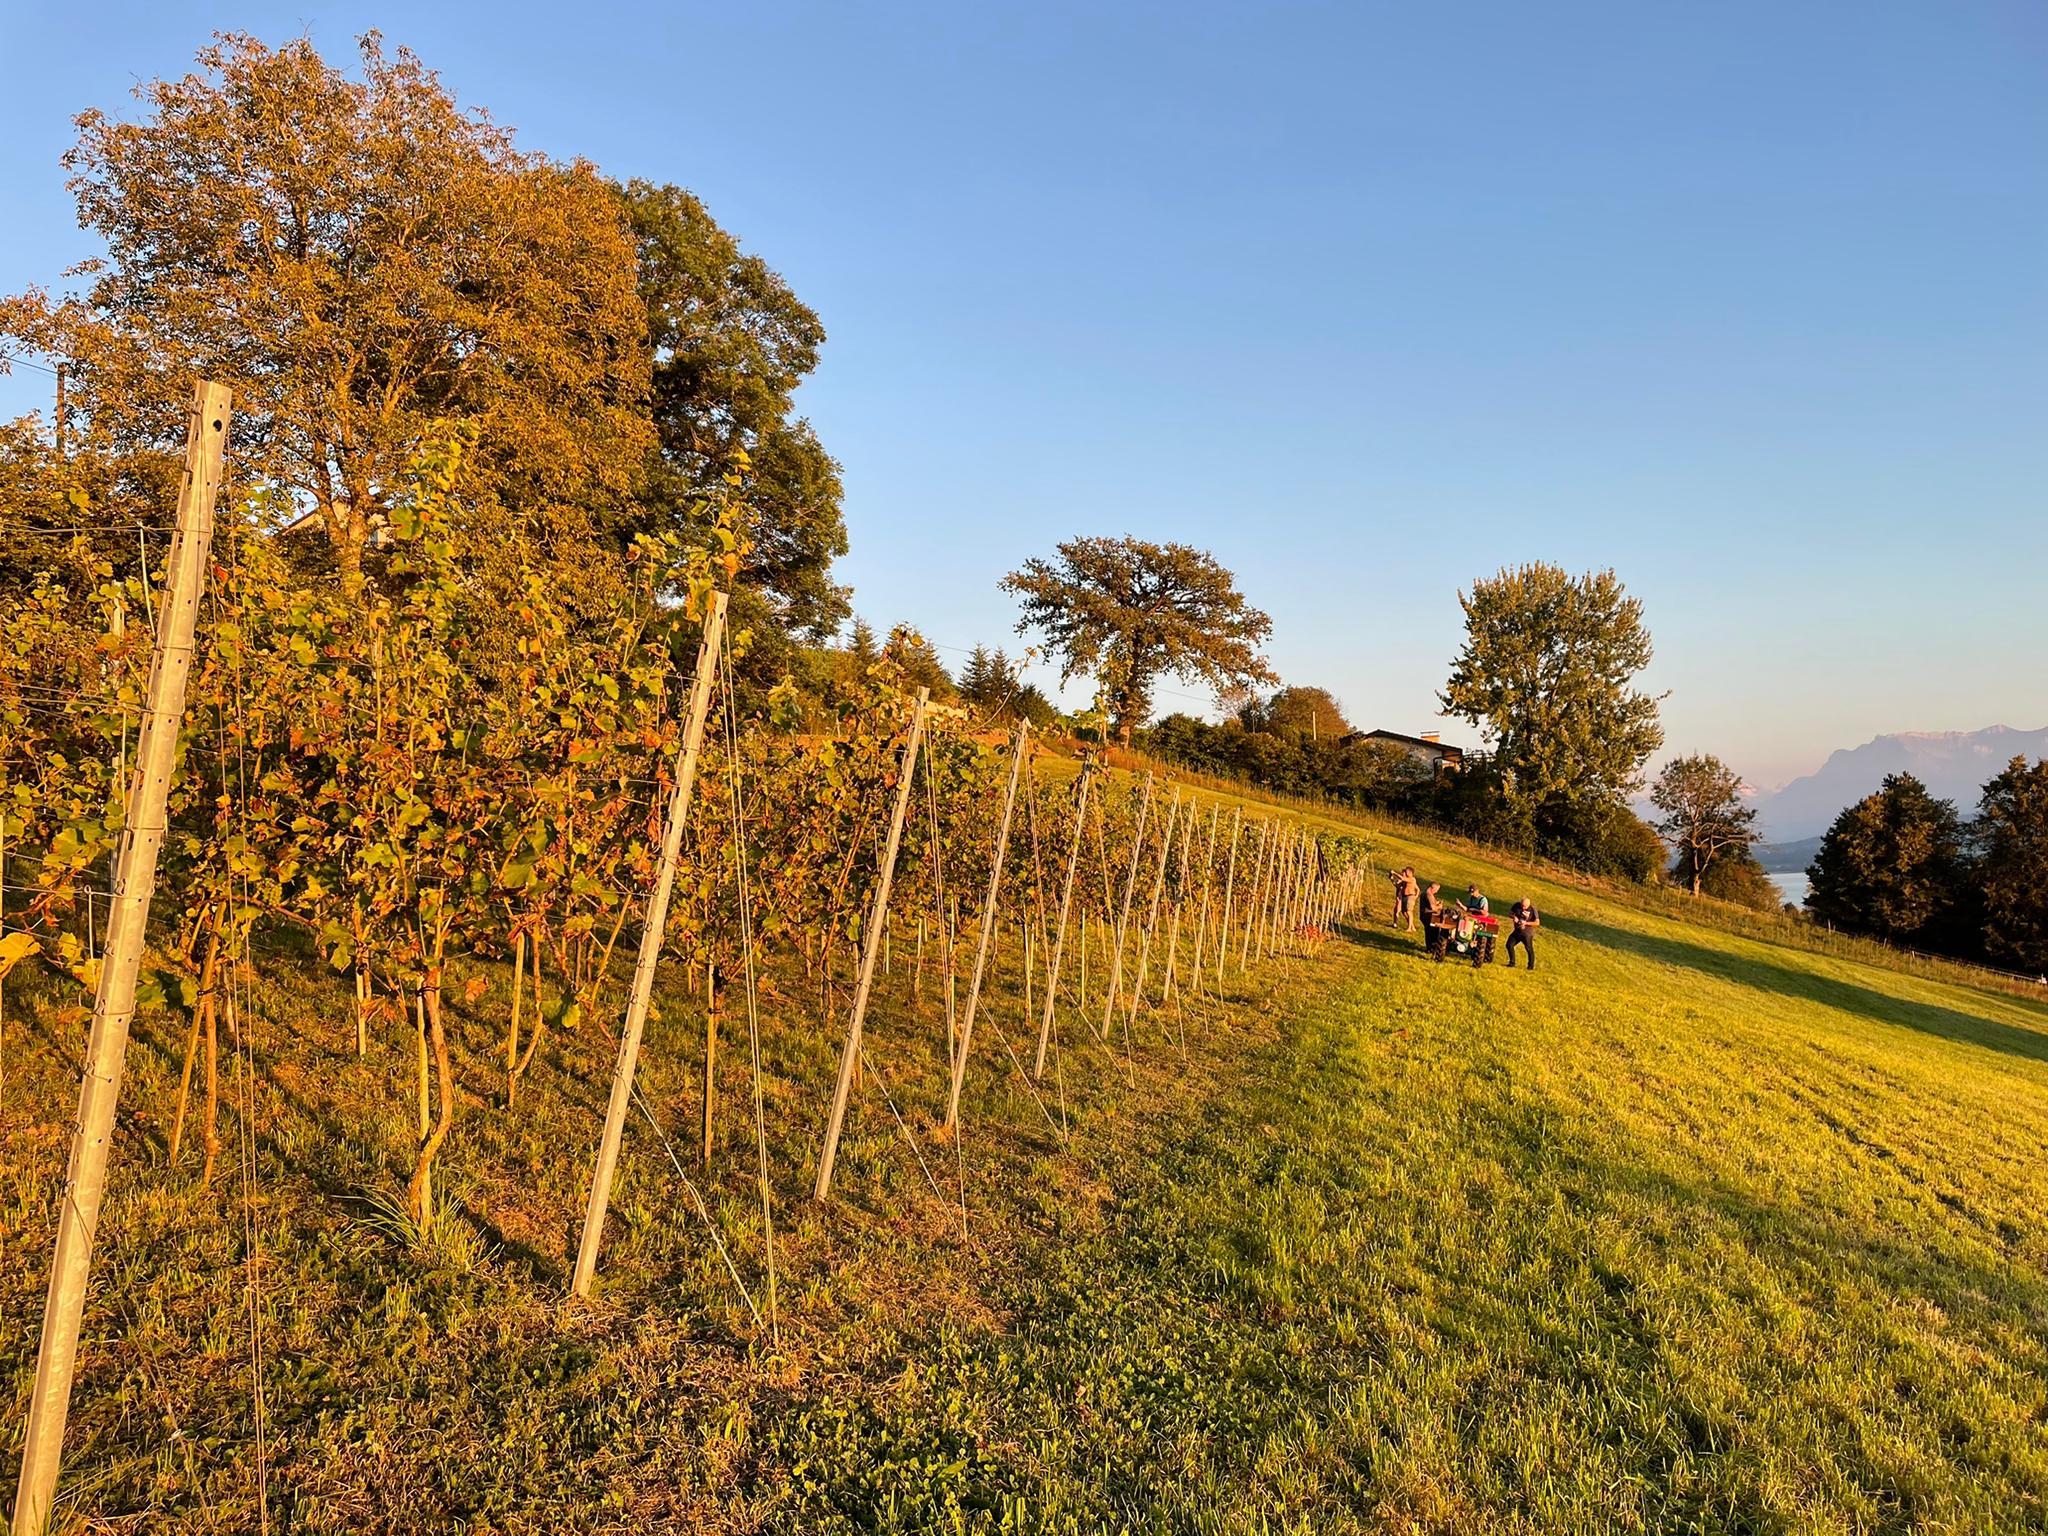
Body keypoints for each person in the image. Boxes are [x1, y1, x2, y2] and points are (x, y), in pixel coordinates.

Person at [1506, 895, 1540, 970]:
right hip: (1517, 931)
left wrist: (1526, 923)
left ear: (1528, 905)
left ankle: (1530, 966)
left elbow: (1537, 923)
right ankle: (1512, 963)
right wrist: (1513, 917)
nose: (1522, 907)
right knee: (1509, 945)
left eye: (1524, 906)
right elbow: (1509, 913)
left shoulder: (1533, 910)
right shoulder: (1516, 905)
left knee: (1529, 949)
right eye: (1522, 905)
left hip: (1527, 934)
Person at [1418, 880, 1445, 958]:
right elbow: (1433, 907)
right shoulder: (1429, 895)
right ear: (1432, 887)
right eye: (1436, 890)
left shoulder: (1424, 893)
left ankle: (1429, 948)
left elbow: (1430, 904)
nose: (1436, 892)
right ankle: (1432, 949)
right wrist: (1439, 907)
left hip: (1424, 916)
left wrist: (1437, 903)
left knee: (1428, 932)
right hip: (1429, 917)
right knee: (1433, 933)